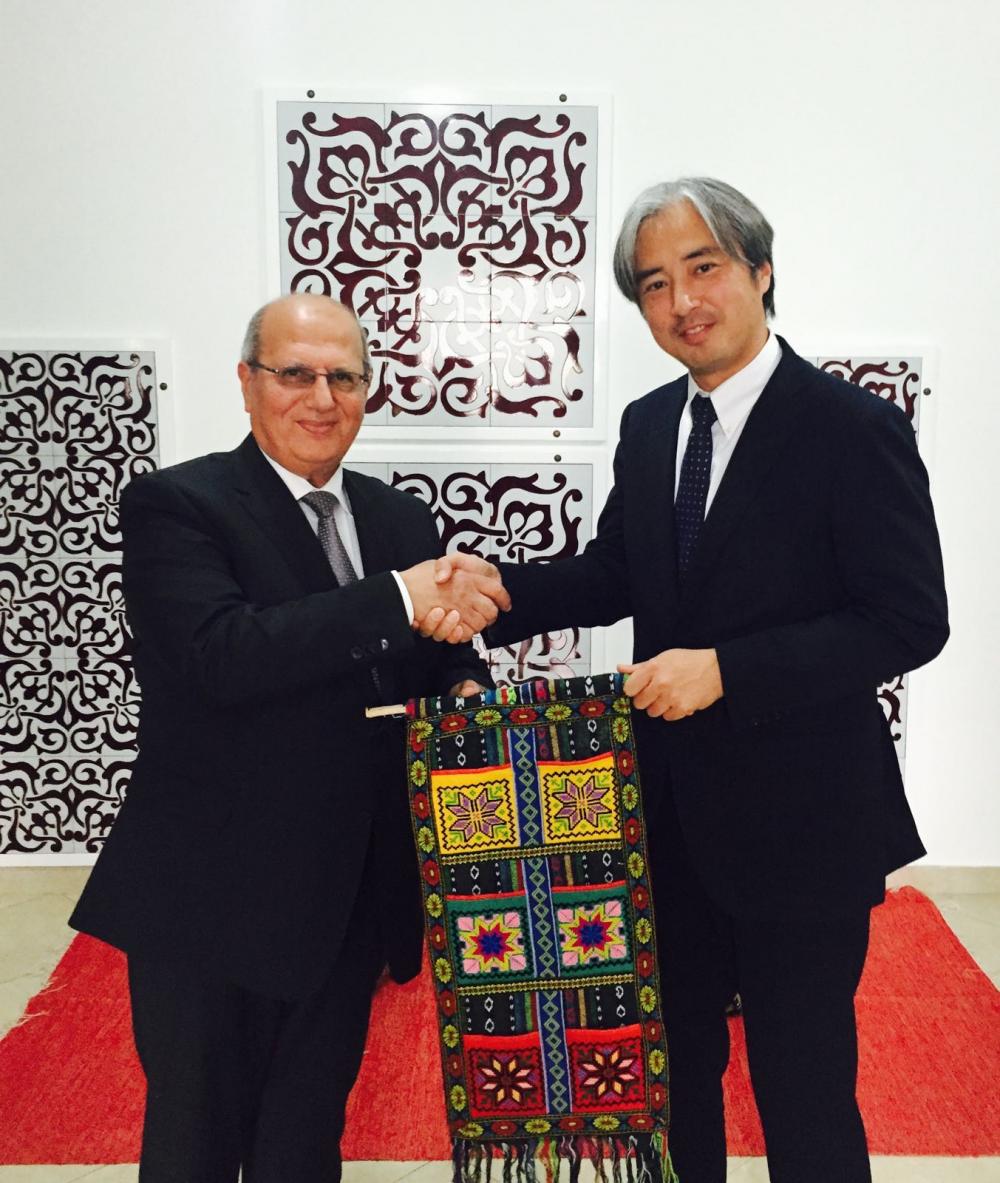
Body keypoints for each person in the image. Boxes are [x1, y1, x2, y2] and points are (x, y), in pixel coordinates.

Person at [427, 178, 949, 1182]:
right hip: (662, 821)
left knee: (804, 1086)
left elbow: (907, 619)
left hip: (805, 825)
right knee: (670, 1082)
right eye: (655, 283)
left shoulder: (851, 427)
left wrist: (728, 672)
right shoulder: (649, 422)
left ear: (761, 271)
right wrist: (494, 592)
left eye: (702, 268)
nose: (681, 301)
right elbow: (615, 573)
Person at [69, 293, 508, 1183]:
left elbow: (435, 657)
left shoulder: (398, 518)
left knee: (304, 1145)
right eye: (295, 373)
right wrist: (396, 597)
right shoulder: (178, 505)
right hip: (211, 899)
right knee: (195, 1147)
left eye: (344, 377)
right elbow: (220, 656)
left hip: (346, 897)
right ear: (247, 382)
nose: (321, 397)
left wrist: (465, 686)